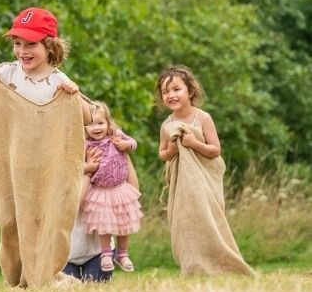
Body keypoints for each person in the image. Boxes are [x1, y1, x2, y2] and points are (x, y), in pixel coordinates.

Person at [0, 6, 92, 289]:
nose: (23, 51)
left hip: (48, 169)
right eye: (17, 44)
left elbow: (88, 117)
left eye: (31, 44)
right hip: (13, 167)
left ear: (49, 45)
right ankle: (16, 275)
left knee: (46, 221)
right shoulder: (7, 74)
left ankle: (42, 276)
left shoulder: (59, 81)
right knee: (10, 221)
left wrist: (73, 98)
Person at [157, 65, 255, 276]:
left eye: (176, 89)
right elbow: (163, 154)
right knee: (187, 224)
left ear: (190, 91)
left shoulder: (202, 118)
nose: (170, 95)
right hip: (183, 185)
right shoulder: (167, 125)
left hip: (204, 181)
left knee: (208, 220)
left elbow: (215, 151)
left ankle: (221, 262)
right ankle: (193, 267)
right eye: (165, 92)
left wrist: (193, 143)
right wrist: (173, 149)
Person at [80, 101, 142, 273]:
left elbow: (133, 143)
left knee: (124, 221)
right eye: (91, 124)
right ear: (84, 128)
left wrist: (126, 145)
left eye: (100, 123)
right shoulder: (85, 145)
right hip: (100, 190)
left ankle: (122, 253)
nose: (96, 128)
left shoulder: (116, 137)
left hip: (120, 188)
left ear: (108, 124)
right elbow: (78, 165)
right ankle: (106, 252)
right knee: (103, 222)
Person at [63, 147, 112, 282]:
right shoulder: (63, 171)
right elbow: (74, 205)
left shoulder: (103, 169)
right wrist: (87, 172)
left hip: (96, 252)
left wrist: (124, 156)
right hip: (65, 254)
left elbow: (132, 191)